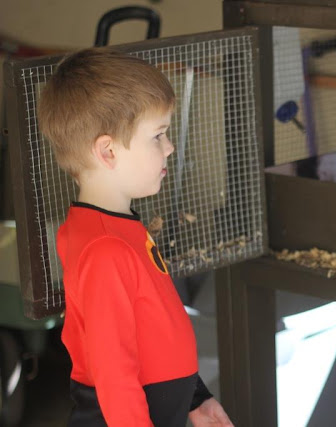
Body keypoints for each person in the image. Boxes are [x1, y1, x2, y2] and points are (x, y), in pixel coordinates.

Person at [38, 48, 233, 427]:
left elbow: (151, 329)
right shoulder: (105, 250)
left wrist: (195, 396)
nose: (169, 147)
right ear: (108, 151)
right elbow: (114, 375)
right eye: (158, 135)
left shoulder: (114, 227)